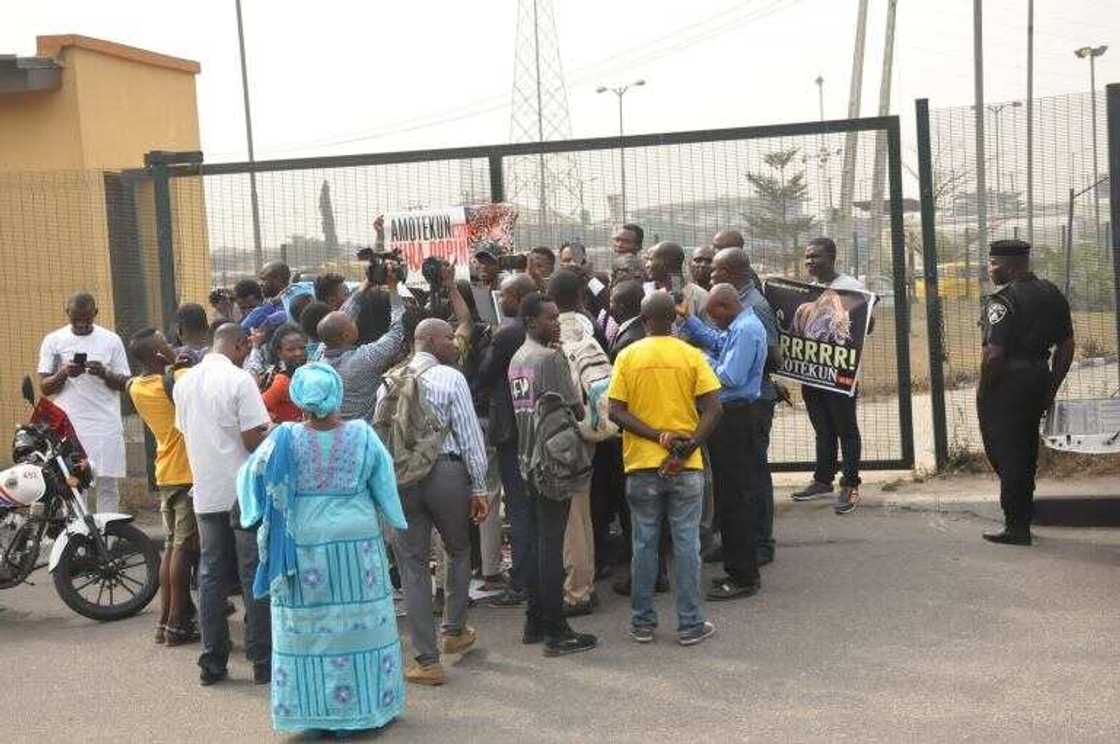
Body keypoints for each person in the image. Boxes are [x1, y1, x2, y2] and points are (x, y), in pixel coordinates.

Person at [237, 363, 407, 735]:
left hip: (302, 547)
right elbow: (385, 478)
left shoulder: (282, 438)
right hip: (356, 547)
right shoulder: (363, 435)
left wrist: (253, 514)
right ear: (337, 396)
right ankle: (363, 711)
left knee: (307, 629)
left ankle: (312, 714)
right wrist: (396, 517)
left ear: (299, 399)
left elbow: (250, 476)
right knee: (361, 628)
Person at [379, 318, 490, 686]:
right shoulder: (450, 378)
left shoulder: (390, 380)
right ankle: (454, 630)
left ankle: (426, 661)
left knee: (411, 565)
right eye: (448, 339)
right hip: (446, 473)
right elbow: (469, 434)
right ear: (428, 341)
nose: (454, 344)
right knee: (457, 551)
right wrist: (479, 486)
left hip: (403, 480)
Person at [608, 291, 723, 645]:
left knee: (644, 543)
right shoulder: (690, 356)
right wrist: (689, 444)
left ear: (643, 321)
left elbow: (616, 411)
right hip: (686, 466)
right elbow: (714, 409)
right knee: (686, 543)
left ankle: (643, 622)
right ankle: (690, 624)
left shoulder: (628, 356)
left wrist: (657, 436)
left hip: (642, 465)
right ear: (673, 320)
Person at [174, 322, 272, 687]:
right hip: (242, 491)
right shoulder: (240, 379)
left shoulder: (184, 382)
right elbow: (251, 440)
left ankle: (212, 662)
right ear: (241, 344)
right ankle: (263, 660)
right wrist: (275, 430)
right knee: (252, 574)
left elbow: (186, 432)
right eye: (246, 347)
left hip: (206, 491)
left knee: (211, 576)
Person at [508, 294, 598, 657]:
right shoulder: (552, 358)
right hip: (554, 462)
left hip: (527, 458)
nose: (556, 324)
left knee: (534, 543)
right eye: (549, 319)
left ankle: (534, 620)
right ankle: (556, 630)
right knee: (551, 545)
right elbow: (576, 407)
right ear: (530, 321)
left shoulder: (518, 359)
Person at [978, 239, 1074, 546]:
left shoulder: (1001, 302)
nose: (989, 269)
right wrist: (1051, 387)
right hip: (1037, 377)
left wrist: (986, 390)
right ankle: (1022, 516)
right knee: (1025, 450)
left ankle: (1016, 526)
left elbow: (993, 355)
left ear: (1011, 266)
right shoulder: (1052, 293)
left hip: (1007, 383)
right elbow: (1067, 345)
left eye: (993, 263)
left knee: (1006, 452)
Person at [680, 284, 766, 601]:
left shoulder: (745, 330)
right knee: (730, 496)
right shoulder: (739, 325)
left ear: (727, 306)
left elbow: (729, 375)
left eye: (713, 314)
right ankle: (736, 568)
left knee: (735, 499)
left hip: (736, 418)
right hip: (731, 418)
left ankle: (743, 576)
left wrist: (698, 361)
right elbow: (718, 341)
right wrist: (691, 323)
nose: (713, 321)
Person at [707, 243, 782, 565]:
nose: (710, 274)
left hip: (752, 402)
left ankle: (760, 544)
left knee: (752, 478)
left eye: (715, 269)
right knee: (738, 481)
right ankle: (739, 542)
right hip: (739, 402)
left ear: (731, 273)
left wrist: (707, 365)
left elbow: (773, 356)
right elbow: (724, 343)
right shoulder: (738, 307)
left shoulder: (756, 309)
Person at [548, 269, 614, 617]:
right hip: (579, 440)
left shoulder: (558, 338)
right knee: (580, 515)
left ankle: (578, 591)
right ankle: (583, 584)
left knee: (572, 519)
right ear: (580, 297)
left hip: (561, 440)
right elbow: (605, 396)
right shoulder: (587, 334)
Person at [127, 328, 198, 646]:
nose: (171, 347)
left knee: (171, 547)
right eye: (166, 345)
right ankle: (175, 625)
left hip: (165, 471)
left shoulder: (135, 386)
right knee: (182, 550)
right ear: (158, 355)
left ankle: (164, 623)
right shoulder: (174, 380)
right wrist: (177, 363)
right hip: (185, 472)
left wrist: (170, 361)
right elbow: (198, 384)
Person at [790, 237, 869, 513]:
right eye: (807, 257)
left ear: (832, 257)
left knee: (846, 429)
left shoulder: (852, 288)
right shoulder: (807, 290)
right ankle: (823, 479)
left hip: (840, 374)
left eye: (816, 257)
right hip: (812, 373)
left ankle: (850, 484)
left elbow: (865, 327)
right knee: (822, 429)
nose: (810, 261)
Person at [38, 292, 131, 513]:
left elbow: (125, 383)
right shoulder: (53, 340)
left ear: (96, 314)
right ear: (67, 313)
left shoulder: (111, 340)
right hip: (69, 426)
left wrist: (104, 373)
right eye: (76, 319)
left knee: (107, 484)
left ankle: (106, 540)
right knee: (75, 484)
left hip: (105, 425)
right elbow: (45, 387)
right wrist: (64, 372)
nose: (81, 324)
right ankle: (79, 540)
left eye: (87, 319)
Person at [478, 274, 537, 608]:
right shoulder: (530, 328)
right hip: (532, 426)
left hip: (511, 430)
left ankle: (521, 582)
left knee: (518, 507)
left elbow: (484, 375)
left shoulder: (508, 333)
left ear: (514, 296)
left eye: (504, 294)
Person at [319, 267, 405, 423]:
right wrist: (393, 288)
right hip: (361, 435)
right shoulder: (363, 358)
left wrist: (368, 282)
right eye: (352, 322)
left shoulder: (320, 356)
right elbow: (398, 331)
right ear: (345, 335)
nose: (354, 320)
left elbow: (344, 314)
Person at [648, 241, 709, 324]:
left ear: (665, 263)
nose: (647, 265)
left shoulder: (700, 297)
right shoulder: (650, 292)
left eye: (651, 259)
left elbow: (709, 333)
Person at [261, 324, 308, 423]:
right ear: (279, 352)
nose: (298, 353)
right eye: (291, 350)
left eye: (302, 348)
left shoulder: (306, 370)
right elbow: (259, 407)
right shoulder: (281, 380)